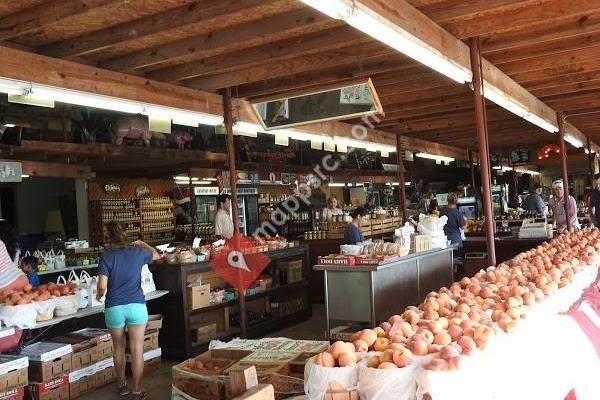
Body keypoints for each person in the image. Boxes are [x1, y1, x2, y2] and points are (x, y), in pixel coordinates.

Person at [96, 221, 160, 400]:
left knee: (118, 347)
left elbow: (102, 285)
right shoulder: (137, 251)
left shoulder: (107, 256)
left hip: (114, 306)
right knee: (137, 348)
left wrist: (99, 295)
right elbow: (157, 255)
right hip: (137, 306)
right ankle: (138, 390)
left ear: (108, 237)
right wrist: (142, 243)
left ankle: (122, 385)